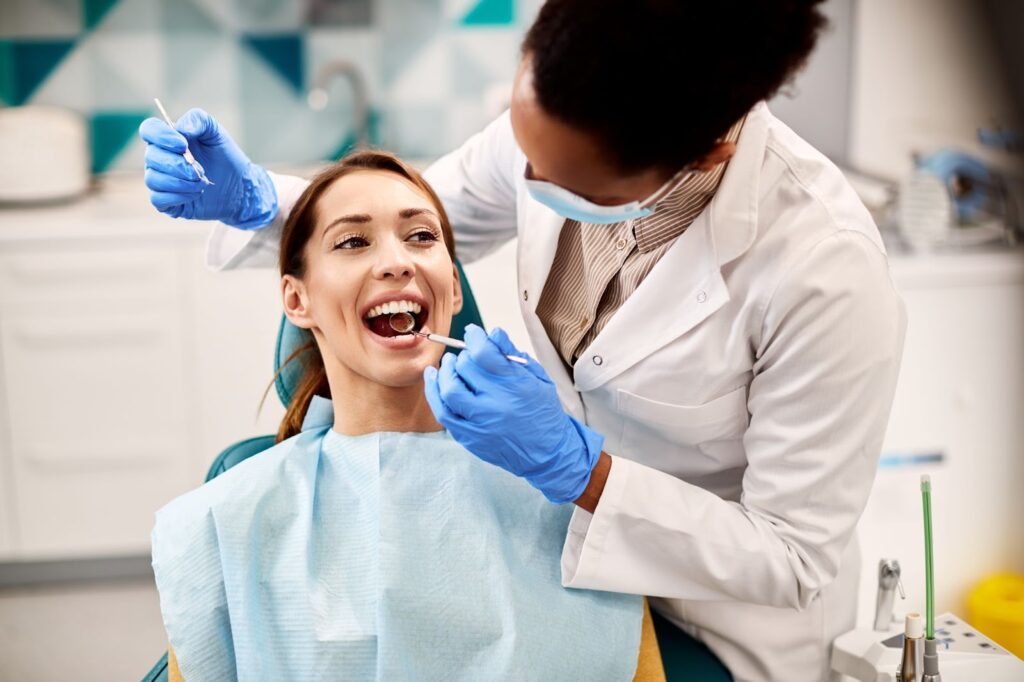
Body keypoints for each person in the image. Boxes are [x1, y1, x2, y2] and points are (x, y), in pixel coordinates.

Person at [139, 2, 907, 679]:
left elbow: (793, 555)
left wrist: (583, 474)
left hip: (720, 616)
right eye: (521, 141)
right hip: (569, 550)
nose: (523, 173)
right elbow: (408, 215)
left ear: (704, 153)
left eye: (560, 178)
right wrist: (261, 203)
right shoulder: (228, 520)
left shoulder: (821, 270)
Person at [150, 151, 663, 681]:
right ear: (296, 300)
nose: (398, 262)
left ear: (455, 289)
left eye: (421, 237)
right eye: (352, 241)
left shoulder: (574, 508)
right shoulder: (222, 526)